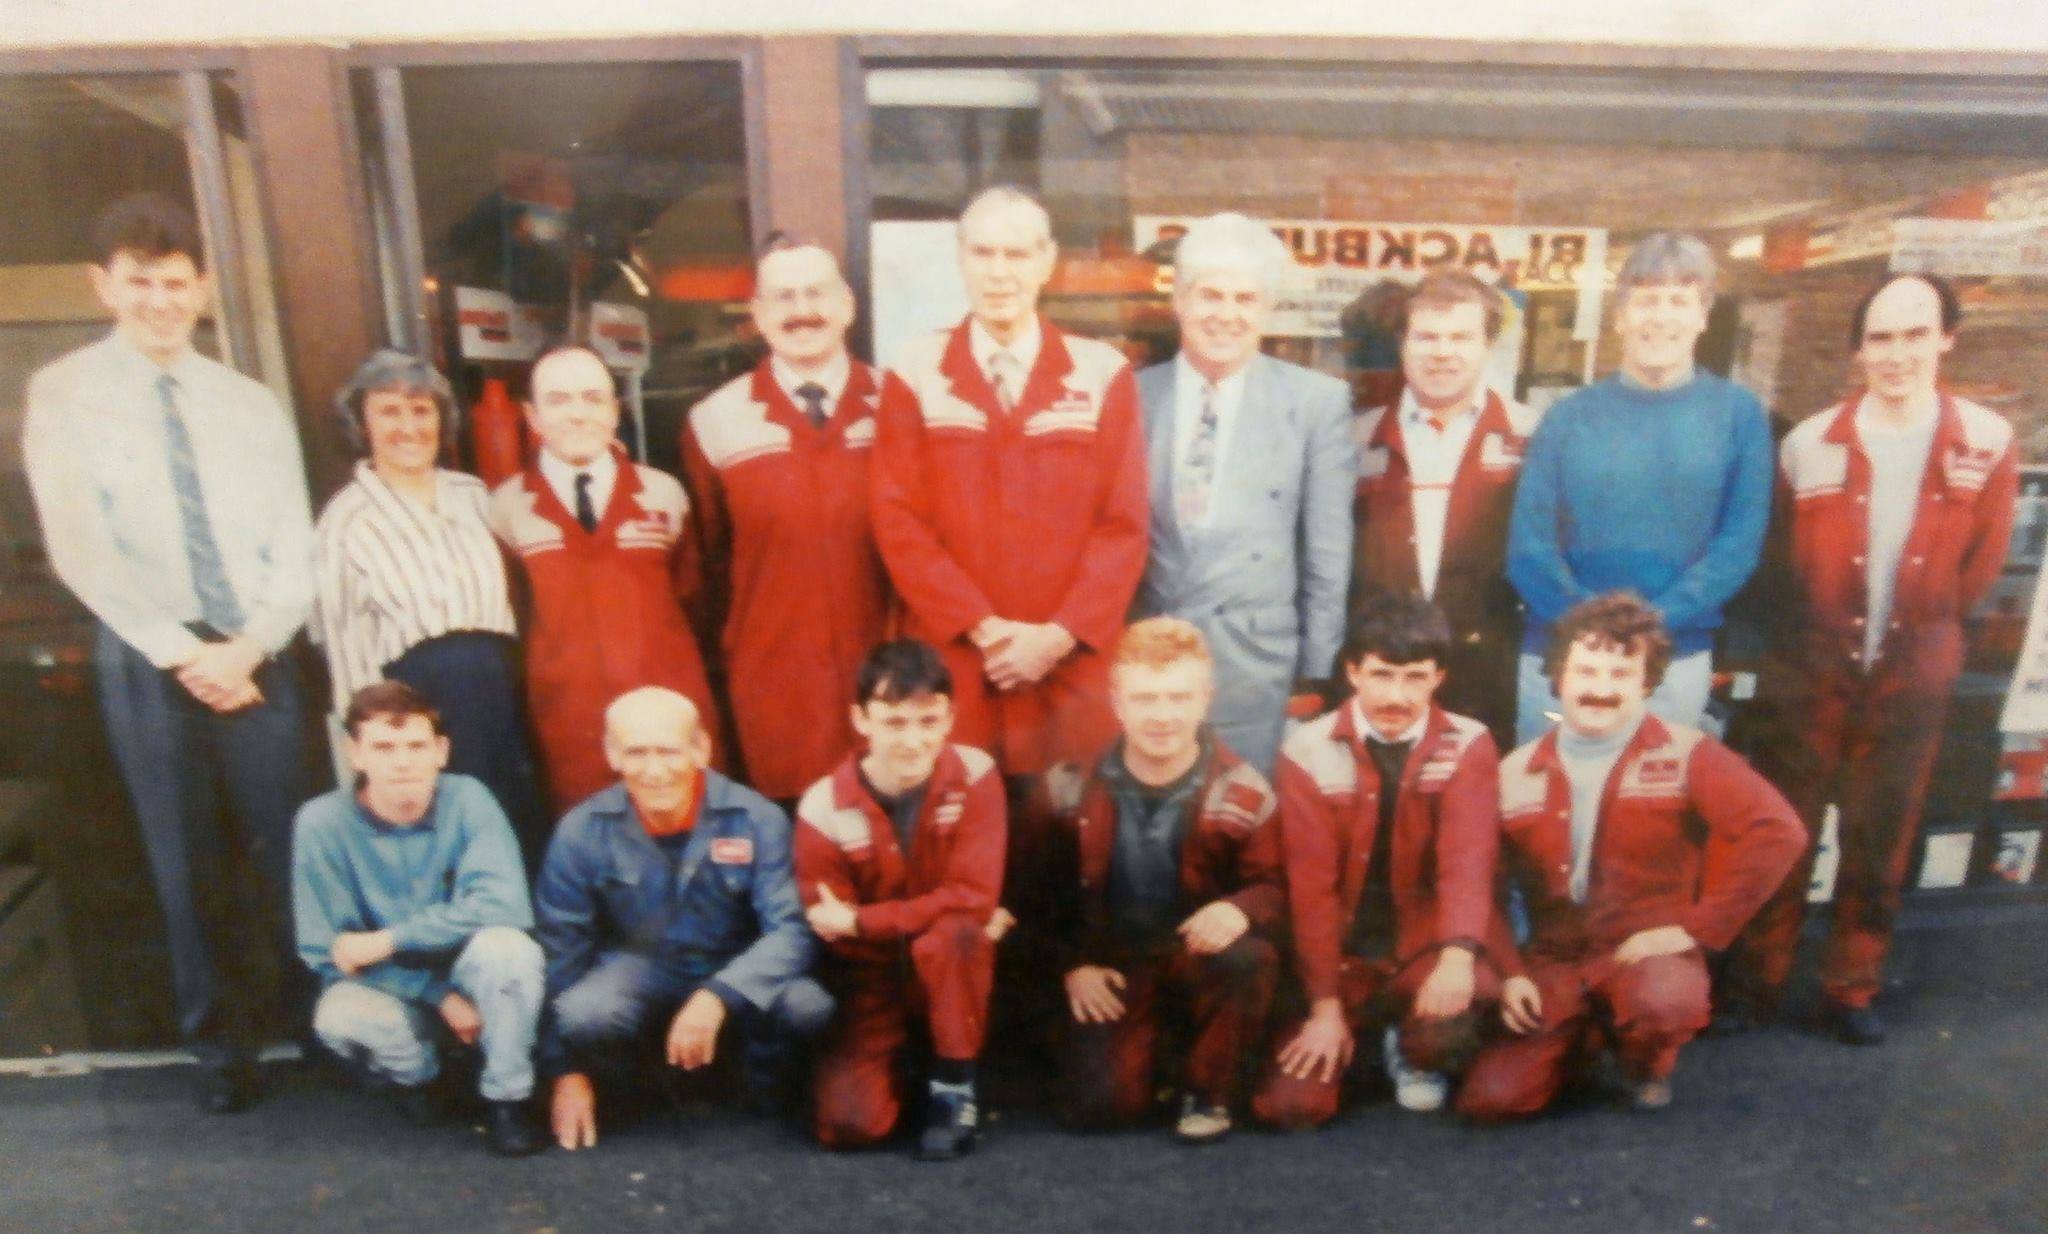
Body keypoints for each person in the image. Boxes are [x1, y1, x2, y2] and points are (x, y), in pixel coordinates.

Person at [22, 192, 316, 1112]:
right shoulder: (66, 393)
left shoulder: (245, 403)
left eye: (177, 283)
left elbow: (292, 541)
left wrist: (251, 645)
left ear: (204, 289)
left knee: (285, 848)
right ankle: (219, 1053)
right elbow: (79, 546)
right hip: (152, 659)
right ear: (103, 286)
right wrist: (182, 653)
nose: (160, 300)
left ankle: (316, 1033)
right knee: (185, 863)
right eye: (141, 282)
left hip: (258, 652)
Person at [1723, 274, 2017, 1044]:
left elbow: (1981, 570)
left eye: (1916, 334)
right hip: (1812, 666)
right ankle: (1759, 979)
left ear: (1946, 338)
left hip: (1912, 671)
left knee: (1880, 832)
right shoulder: (1809, 440)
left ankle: (1851, 987)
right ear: (1857, 350)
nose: (1898, 354)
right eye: (1881, 338)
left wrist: (1923, 637)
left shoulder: (1986, 441)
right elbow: (1780, 559)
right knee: (1785, 826)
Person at [870, 184, 1149, 914]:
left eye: (1018, 253)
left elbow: (1123, 524)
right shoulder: (916, 368)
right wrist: (985, 628)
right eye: (983, 252)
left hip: (1068, 671)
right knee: (954, 854)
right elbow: (896, 516)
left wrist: (1055, 637)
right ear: (959, 259)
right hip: (960, 659)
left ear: (1048, 261)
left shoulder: (1100, 372)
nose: (1000, 271)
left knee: (1068, 854)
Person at [1457, 593, 1804, 1120]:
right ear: (1558, 678)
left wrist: (1693, 928)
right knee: (1492, 1101)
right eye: (1587, 671)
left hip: (1646, 950)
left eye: (1621, 674)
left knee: (1664, 1002)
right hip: (1557, 956)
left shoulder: (1688, 753)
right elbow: (1479, 884)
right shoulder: (1514, 770)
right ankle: (1586, 1034)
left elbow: (1778, 832)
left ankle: (1645, 1060)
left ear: (1647, 683)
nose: (1600, 689)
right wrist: (1513, 973)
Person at [534, 687, 832, 1151]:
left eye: (669, 751)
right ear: (612, 754)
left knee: (807, 1006)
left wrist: (718, 996)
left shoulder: (757, 818)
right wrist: (565, 1071)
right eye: (637, 753)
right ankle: (640, 1088)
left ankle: (761, 1084)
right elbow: (561, 955)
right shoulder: (580, 831)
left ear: (701, 749)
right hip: (643, 966)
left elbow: (792, 930)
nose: (654, 771)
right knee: (584, 1012)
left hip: (736, 963)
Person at [1252, 595, 1510, 1127]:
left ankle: (1411, 1044)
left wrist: (1458, 956)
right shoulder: (1307, 749)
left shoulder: (1469, 743)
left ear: (1439, 675)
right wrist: (1323, 1005)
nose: (1397, 695)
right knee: (1292, 1109)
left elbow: (1468, 860)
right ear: (1352, 672)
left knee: (1470, 998)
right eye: (1382, 675)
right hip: (1341, 952)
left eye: (1415, 677)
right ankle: (1352, 1027)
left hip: (1420, 944)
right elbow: (1311, 889)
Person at [1506, 233, 1774, 742]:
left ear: (1703, 315)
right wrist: (1592, 632)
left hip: (1675, 658)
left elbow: (1738, 545)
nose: (1661, 316)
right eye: (1647, 300)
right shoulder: (1567, 418)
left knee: (1654, 813)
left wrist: (1649, 627)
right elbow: (1529, 544)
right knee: (1548, 811)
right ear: (1620, 316)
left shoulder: (1738, 416)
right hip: (1563, 658)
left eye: (1679, 301)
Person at [1130, 213, 1355, 775]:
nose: (1226, 315)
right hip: (1148, 661)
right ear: (1179, 299)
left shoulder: (1314, 402)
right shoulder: (1129, 396)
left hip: (1255, 661)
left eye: (1245, 298)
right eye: (1210, 295)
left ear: (1266, 309)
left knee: (1244, 820)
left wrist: (1317, 666)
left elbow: (1328, 546)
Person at [1046, 617, 1285, 1144]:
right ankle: (1155, 1060)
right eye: (1146, 698)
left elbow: (1276, 886)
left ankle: (1208, 1089)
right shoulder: (1071, 785)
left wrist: (1241, 908)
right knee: (1100, 1107)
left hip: (1199, 962)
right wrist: (1075, 964)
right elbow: (1042, 896)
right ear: (1117, 701)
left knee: (1249, 958)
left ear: (1205, 700)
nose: (1162, 716)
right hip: (1117, 968)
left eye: (1179, 697)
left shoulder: (1244, 790)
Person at [291, 681, 545, 1156]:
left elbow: (504, 904)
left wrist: (390, 938)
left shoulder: (468, 798)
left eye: (416, 746)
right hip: (392, 987)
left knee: (509, 951)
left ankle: (507, 1097)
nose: (402, 762)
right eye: (384, 747)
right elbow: (324, 948)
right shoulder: (321, 821)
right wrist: (438, 996)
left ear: (440, 751)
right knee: (340, 1015)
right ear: (355, 754)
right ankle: (421, 1078)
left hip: (469, 973)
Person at [680, 237, 892, 807]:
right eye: (782, 297)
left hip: (890, 690)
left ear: (847, 305)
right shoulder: (714, 422)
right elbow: (706, 572)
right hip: (779, 693)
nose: (802, 311)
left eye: (816, 292)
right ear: (757, 315)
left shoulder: (900, 404)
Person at [313, 350, 546, 861]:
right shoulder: (346, 521)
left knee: (517, 827)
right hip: (420, 712)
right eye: (389, 411)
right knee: (449, 843)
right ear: (361, 422)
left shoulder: (475, 496)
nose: (408, 427)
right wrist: (374, 755)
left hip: (500, 695)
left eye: (421, 410)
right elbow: (347, 654)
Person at [793, 640, 1007, 1161]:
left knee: (958, 933)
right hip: (874, 980)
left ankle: (955, 1087)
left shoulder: (976, 773)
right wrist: (865, 930)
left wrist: (865, 921)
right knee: (848, 1126)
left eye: (928, 720)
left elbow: (974, 897)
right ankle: (906, 1066)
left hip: (947, 962)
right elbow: (828, 926)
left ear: (950, 717)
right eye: (894, 722)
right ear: (861, 720)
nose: (913, 741)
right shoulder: (823, 805)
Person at [488, 343, 716, 812]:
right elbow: (513, 615)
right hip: (569, 721)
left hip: (666, 713)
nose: (577, 414)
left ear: (615, 410)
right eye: (559, 400)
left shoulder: (665, 494)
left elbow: (695, 600)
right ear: (531, 416)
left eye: (593, 399)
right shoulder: (506, 509)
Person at [1352, 270, 1541, 749]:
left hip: (1486, 674)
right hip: (1381, 676)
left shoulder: (1532, 436)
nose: (1442, 352)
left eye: (1461, 336)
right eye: (1426, 336)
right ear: (1402, 342)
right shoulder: (1355, 439)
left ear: (1487, 344)